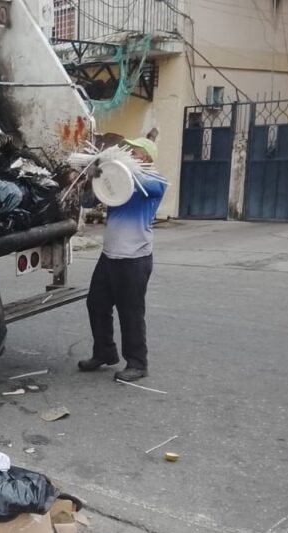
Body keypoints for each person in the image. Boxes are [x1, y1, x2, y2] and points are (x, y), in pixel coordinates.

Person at [79, 137, 166, 382]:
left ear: (146, 158)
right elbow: (87, 201)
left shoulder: (155, 181)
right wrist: (93, 178)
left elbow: (135, 181)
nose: (128, 155)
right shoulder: (117, 179)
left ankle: (137, 363)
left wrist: (115, 167)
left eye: (133, 152)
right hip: (109, 255)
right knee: (96, 304)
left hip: (134, 258)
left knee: (131, 312)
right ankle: (104, 352)